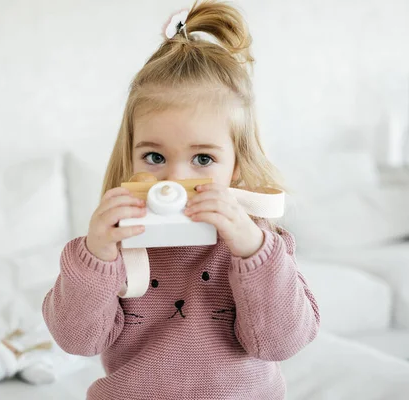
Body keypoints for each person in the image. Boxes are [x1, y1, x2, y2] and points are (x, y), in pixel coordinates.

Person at [42, 1, 320, 398]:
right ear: (132, 157)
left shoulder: (258, 242)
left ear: (237, 166)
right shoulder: (119, 243)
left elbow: (282, 343)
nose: (174, 181)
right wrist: (97, 255)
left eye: (203, 159)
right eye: (155, 157)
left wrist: (253, 250)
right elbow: (78, 342)